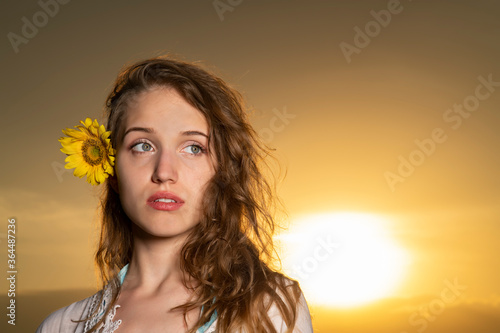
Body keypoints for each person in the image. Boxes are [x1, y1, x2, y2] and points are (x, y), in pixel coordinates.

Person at [37, 56, 314, 332]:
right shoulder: (59, 327)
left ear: (223, 172)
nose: (165, 172)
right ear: (111, 171)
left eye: (194, 148)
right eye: (143, 145)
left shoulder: (270, 309)